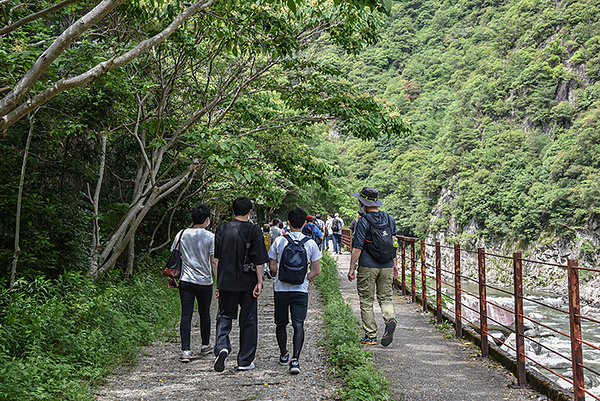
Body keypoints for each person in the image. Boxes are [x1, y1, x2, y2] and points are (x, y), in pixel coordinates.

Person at [213, 197, 269, 372]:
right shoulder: (254, 230)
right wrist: (259, 281)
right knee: (249, 319)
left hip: (227, 280)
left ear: (233, 210)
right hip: (248, 281)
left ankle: (222, 345)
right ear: (250, 211)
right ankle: (245, 360)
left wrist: (218, 282)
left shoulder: (221, 229)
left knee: (224, 316)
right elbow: (258, 259)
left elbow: (216, 260)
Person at [268, 207, 321, 374]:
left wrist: (281, 275)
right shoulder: (310, 243)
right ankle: (295, 360)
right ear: (305, 222)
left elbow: (272, 266)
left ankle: (284, 354)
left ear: (288, 222)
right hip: (300, 291)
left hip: (281, 289)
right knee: (298, 324)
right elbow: (316, 270)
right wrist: (304, 278)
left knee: (281, 323)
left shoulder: (279, 241)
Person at [347, 187, 398, 346]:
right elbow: (394, 242)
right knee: (386, 298)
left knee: (367, 301)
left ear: (363, 203)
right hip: (387, 265)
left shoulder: (363, 221)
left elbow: (357, 247)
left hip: (368, 267)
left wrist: (351, 268)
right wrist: (395, 265)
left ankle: (370, 335)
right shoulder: (389, 219)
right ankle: (390, 319)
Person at [170, 204, 218, 363]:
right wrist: (219, 283)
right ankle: (205, 345)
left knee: (186, 314)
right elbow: (214, 261)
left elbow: (175, 257)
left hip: (186, 280)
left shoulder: (181, 234)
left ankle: (185, 350)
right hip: (205, 281)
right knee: (205, 313)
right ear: (207, 219)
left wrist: (172, 278)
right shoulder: (210, 237)